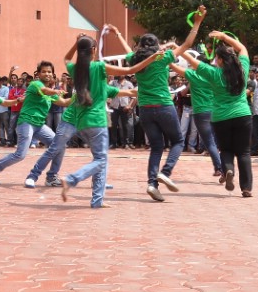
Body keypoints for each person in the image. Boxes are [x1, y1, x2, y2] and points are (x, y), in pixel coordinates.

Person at [24, 34, 160, 190]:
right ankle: (33, 176)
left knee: (99, 153)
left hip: (85, 120)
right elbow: (130, 70)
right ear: (93, 51)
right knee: (58, 148)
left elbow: (124, 92)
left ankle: (98, 181)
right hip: (71, 119)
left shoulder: (97, 81)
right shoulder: (90, 71)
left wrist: (137, 92)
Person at [113, 7, 207, 202]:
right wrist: (197, 22)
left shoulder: (135, 59)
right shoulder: (162, 58)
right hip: (163, 105)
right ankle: (165, 172)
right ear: (156, 45)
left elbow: (128, 51)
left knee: (156, 146)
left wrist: (120, 35)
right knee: (178, 141)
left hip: (145, 109)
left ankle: (152, 183)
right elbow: (188, 43)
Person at [58, 36, 140, 208]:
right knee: (101, 160)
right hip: (97, 121)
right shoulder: (99, 67)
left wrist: (76, 44)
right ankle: (71, 179)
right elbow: (129, 69)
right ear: (94, 50)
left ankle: (97, 200)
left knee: (99, 159)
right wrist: (151, 59)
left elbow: (66, 58)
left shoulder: (75, 69)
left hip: (81, 123)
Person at [179, 31, 253, 196]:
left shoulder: (213, 73)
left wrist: (176, 49)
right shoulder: (243, 69)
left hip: (221, 117)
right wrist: (224, 37)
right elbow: (242, 48)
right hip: (242, 114)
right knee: (243, 152)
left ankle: (228, 170)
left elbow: (191, 60)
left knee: (226, 149)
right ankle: (246, 188)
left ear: (219, 60)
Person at [0, 61, 71, 187]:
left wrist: (78, 97)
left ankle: (51, 177)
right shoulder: (35, 84)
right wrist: (55, 91)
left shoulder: (51, 92)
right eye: (44, 71)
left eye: (49, 72)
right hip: (26, 123)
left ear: (52, 74)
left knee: (60, 146)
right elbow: (44, 90)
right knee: (20, 154)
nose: (47, 73)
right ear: (39, 74)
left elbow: (64, 102)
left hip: (39, 126)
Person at [169, 59, 223, 177]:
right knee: (218, 139)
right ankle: (225, 166)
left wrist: (166, 59)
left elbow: (175, 68)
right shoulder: (215, 74)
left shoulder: (193, 75)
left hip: (201, 111)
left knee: (209, 142)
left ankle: (219, 168)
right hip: (216, 110)